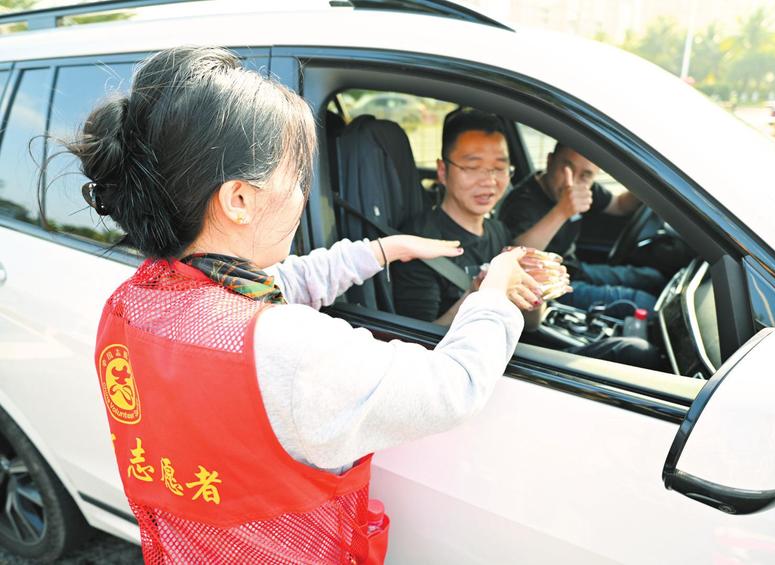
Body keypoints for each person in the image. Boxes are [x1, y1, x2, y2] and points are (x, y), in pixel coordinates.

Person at [56, 47, 538, 564]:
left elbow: (272, 286)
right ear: (239, 199)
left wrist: (382, 251)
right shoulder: (291, 347)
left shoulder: (136, 302)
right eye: (296, 178)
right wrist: (495, 294)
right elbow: (452, 388)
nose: (304, 197)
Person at [392, 108, 661, 370]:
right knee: (636, 352)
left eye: (499, 168)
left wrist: (537, 293)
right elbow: (419, 347)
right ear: (442, 171)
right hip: (475, 371)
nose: (489, 181)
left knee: (636, 349)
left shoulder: (497, 231)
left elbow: (531, 324)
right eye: (473, 167)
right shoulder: (419, 245)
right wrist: (477, 295)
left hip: (515, 352)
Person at [499, 141, 666, 313]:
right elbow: (516, 257)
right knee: (645, 304)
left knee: (653, 278)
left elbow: (619, 205)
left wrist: (647, 184)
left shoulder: (584, 187)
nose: (572, 181)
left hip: (574, 268)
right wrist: (562, 211)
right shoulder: (521, 203)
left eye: (586, 175)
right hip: (550, 286)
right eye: (567, 167)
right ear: (549, 161)